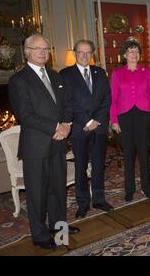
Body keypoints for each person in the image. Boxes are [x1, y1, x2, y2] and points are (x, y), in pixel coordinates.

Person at [8, 34, 79, 249]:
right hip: (36, 146)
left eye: (46, 49)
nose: (42, 52)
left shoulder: (56, 76)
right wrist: (56, 127)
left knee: (57, 189)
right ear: (27, 51)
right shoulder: (18, 80)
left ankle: (58, 227)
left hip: (58, 142)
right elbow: (25, 114)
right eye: (37, 48)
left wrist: (66, 125)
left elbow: (68, 104)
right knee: (37, 193)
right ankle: (39, 235)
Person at [60, 40, 113, 218]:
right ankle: (83, 203)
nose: (84, 55)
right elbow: (66, 103)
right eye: (81, 52)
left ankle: (99, 199)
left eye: (88, 52)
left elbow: (107, 99)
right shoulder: (65, 74)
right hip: (78, 128)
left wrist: (97, 120)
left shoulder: (100, 72)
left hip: (98, 128)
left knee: (98, 165)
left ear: (93, 54)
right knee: (81, 167)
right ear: (75, 53)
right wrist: (85, 121)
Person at [110, 39, 150, 202]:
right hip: (124, 116)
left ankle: (146, 187)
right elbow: (112, 99)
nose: (134, 54)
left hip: (144, 116)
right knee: (129, 155)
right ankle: (129, 189)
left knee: (144, 154)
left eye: (136, 51)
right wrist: (114, 120)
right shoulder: (117, 74)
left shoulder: (147, 72)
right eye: (131, 51)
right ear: (124, 55)